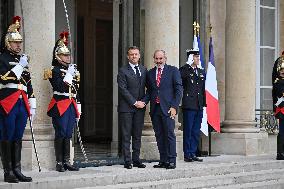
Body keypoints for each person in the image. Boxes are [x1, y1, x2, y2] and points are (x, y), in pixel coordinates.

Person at [0, 16, 35, 183]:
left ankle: (17, 169)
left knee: (18, 136)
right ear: (8, 42)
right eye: (15, 42)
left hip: (22, 101)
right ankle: (8, 171)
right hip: (8, 100)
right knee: (7, 134)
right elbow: (3, 79)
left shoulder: (21, 60)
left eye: (20, 42)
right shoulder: (2, 59)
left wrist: (32, 102)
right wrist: (20, 66)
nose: (18, 45)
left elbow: (28, 82)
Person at [45, 31, 80, 172]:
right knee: (60, 132)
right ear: (58, 56)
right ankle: (59, 162)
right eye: (65, 55)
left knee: (68, 133)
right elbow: (59, 86)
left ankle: (66, 161)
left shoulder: (71, 69)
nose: (68, 57)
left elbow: (76, 90)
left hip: (71, 104)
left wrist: (78, 104)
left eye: (68, 55)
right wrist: (70, 75)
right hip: (60, 104)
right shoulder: (54, 70)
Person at [142, 50, 182, 169]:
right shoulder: (150, 73)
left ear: (165, 58)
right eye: (157, 59)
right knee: (159, 135)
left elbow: (179, 90)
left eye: (161, 58)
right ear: (154, 59)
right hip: (155, 109)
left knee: (169, 134)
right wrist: (144, 101)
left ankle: (172, 160)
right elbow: (150, 92)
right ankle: (163, 160)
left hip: (169, 109)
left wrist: (174, 107)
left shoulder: (173, 71)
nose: (159, 61)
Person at [117, 46, 147, 169]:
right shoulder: (123, 71)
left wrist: (144, 102)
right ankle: (127, 161)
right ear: (128, 57)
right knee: (126, 135)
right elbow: (122, 89)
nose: (134, 56)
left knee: (137, 134)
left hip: (140, 108)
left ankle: (136, 159)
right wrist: (135, 102)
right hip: (127, 108)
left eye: (136, 54)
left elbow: (149, 88)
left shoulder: (144, 69)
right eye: (131, 54)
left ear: (139, 55)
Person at [179, 48, 205, 162]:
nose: (198, 59)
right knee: (188, 130)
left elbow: (202, 89)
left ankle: (193, 152)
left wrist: (204, 103)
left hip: (199, 104)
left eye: (198, 57)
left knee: (195, 130)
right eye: (195, 57)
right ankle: (187, 153)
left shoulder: (200, 71)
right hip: (189, 105)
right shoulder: (185, 70)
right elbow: (180, 82)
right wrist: (188, 66)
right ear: (190, 58)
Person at [272, 54, 284, 160]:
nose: (283, 72)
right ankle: (280, 153)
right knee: (282, 132)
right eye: (281, 70)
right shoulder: (278, 82)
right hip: (282, 110)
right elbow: (281, 93)